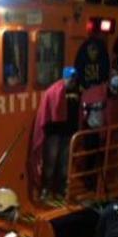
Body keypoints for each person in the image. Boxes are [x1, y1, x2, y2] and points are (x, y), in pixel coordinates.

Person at [31, 66, 81, 201]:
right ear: (64, 78)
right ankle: (45, 190)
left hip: (68, 133)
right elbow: (47, 112)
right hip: (53, 133)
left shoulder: (77, 92)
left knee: (64, 164)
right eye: (71, 78)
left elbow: (78, 113)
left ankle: (60, 191)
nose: (73, 81)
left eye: (74, 78)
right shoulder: (54, 91)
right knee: (50, 164)